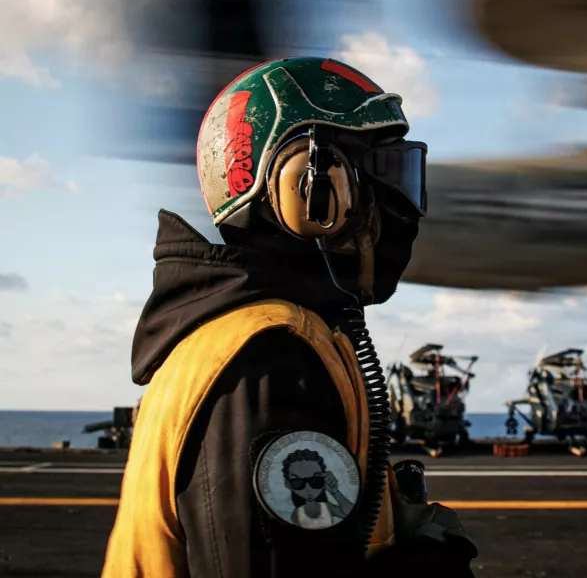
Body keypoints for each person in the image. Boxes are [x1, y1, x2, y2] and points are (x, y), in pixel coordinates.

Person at [101, 57, 477, 577]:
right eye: (387, 172)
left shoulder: (252, 334)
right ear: (314, 191)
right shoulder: (267, 360)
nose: (402, 203)